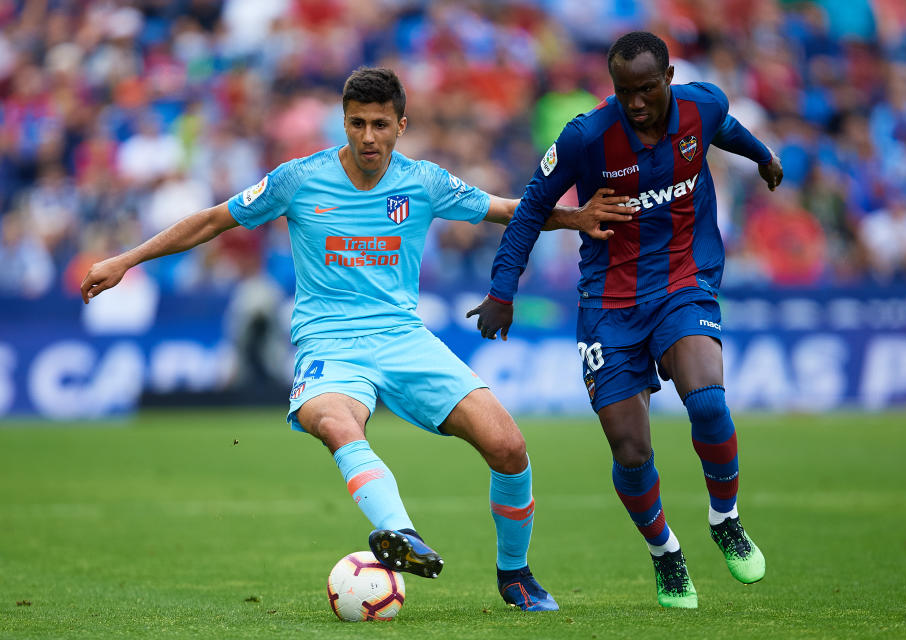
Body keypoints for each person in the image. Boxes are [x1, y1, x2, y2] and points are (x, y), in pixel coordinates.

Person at [80, 67, 633, 612]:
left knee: (509, 448)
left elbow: (508, 210)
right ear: (343, 123)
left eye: (380, 125)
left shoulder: (424, 181)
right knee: (335, 423)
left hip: (403, 339)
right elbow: (212, 220)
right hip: (328, 345)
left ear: (401, 125)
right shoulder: (297, 179)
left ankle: (515, 576)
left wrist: (575, 218)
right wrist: (126, 260)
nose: (368, 136)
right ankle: (399, 533)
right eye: (357, 123)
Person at [468, 32, 783, 609]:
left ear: (667, 78)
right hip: (608, 304)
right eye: (623, 91)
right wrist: (501, 291)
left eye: (645, 90)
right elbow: (532, 208)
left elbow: (726, 128)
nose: (635, 103)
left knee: (708, 401)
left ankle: (726, 519)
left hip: (685, 281)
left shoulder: (702, 104)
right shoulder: (586, 137)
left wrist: (762, 156)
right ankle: (666, 554)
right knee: (631, 450)